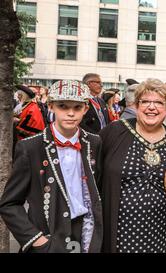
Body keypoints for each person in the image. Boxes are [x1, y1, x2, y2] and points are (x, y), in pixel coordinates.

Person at [0, 80, 103, 253]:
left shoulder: (94, 142)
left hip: (85, 231)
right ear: (51, 106)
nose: (70, 113)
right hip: (48, 234)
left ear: (85, 109)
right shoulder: (30, 147)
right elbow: (9, 204)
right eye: (63, 106)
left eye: (77, 107)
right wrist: (36, 239)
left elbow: (97, 187)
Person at [99, 78, 166, 253]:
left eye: (158, 103)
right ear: (136, 105)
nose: (151, 107)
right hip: (121, 234)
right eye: (145, 101)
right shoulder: (114, 132)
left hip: (165, 234)